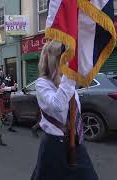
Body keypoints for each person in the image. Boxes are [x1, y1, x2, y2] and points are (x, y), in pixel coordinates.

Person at [31, 41, 98, 180]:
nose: (69, 61)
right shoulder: (42, 83)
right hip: (55, 145)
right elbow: (57, 106)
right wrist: (70, 74)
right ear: (55, 60)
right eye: (65, 57)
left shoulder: (67, 81)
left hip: (76, 143)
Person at [0, 68, 17, 132]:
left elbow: (5, 87)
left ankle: (10, 127)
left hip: (5, 97)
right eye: (0, 72)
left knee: (10, 113)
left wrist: (13, 87)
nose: (1, 73)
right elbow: (2, 88)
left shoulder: (3, 79)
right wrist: (11, 88)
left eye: (2, 72)